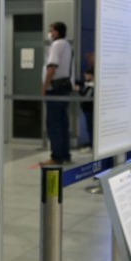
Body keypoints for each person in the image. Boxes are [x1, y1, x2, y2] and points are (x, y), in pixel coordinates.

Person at [42, 21, 74, 164]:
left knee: (53, 123)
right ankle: (65, 154)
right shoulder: (67, 45)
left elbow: (52, 68)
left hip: (55, 88)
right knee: (62, 122)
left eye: (52, 30)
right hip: (65, 87)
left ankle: (56, 156)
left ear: (57, 32)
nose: (50, 33)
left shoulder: (56, 45)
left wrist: (44, 87)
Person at [76, 52, 95, 150]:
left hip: (90, 109)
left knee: (91, 128)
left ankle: (92, 145)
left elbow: (86, 97)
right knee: (89, 127)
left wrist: (79, 91)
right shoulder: (87, 84)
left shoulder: (91, 86)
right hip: (87, 110)